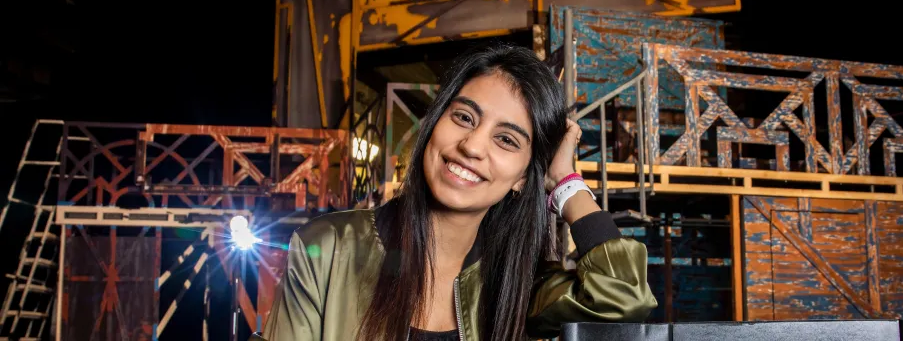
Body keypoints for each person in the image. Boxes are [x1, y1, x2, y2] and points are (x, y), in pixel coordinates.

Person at [250, 43, 657, 341]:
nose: (473, 146)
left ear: (522, 178)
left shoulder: (518, 282)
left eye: (507, 140)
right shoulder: (329, 248)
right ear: (434, 123)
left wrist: (565, 183)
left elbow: (622, 295)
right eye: (464, 117)